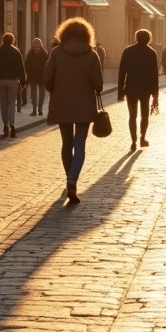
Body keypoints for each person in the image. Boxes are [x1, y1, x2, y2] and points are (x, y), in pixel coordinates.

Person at [43, 17, 104, 204]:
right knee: (80, 144)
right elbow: (99, 85)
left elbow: (47, 79)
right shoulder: (91, 54)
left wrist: (58, 90)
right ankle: (73, 179)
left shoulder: (56, 53)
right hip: (84, 105)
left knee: (66, 143)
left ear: (64, 34)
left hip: (62, 104)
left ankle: (69, 179)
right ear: (87, 35)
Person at [118, 29, 160, 149]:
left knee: (132, 116)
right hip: (145, 90)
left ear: (136, 38)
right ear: (148, 39)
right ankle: (142, 138)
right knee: (145, 115)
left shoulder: (128, 51)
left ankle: (133, 141)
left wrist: (120, 92)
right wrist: (155, 94)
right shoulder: (151, 53)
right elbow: (154, 75)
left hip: (131, 88)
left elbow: (122, 72)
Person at [0, 32, 26, 138]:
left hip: (0, 81)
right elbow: (21, 69)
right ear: (12, 40)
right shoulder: (16, 52)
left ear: (3, 40)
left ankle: (5, 125)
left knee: (3, 104)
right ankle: (12, 124)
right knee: (11, 104)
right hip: (13, 81)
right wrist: (23, 82)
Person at [25, 37, 49, 116]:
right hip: (42, 76)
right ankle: (40, 109)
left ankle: (34, 109)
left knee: (33, 93)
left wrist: (28, 72)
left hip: (33, 76)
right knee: (42, 93)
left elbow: (26, 64)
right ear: (41, 44)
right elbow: (48, 65)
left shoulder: (30, 53)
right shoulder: (44, 53)